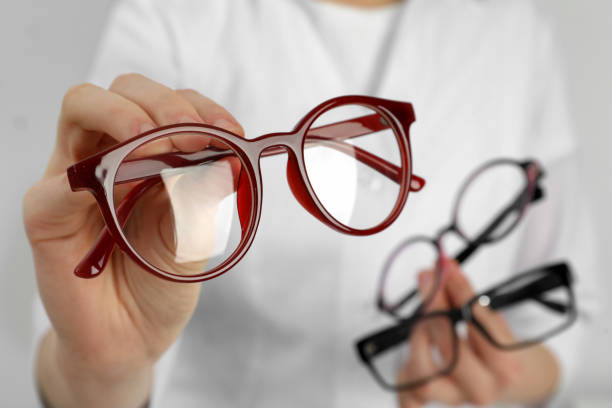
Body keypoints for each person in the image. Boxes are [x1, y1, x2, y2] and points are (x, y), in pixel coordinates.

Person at [23, 0, 598, 406]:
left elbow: (573, 313)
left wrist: (497, 371)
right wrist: (102, 372)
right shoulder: (176, 17)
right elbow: (89, 336)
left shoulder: (516, 33)